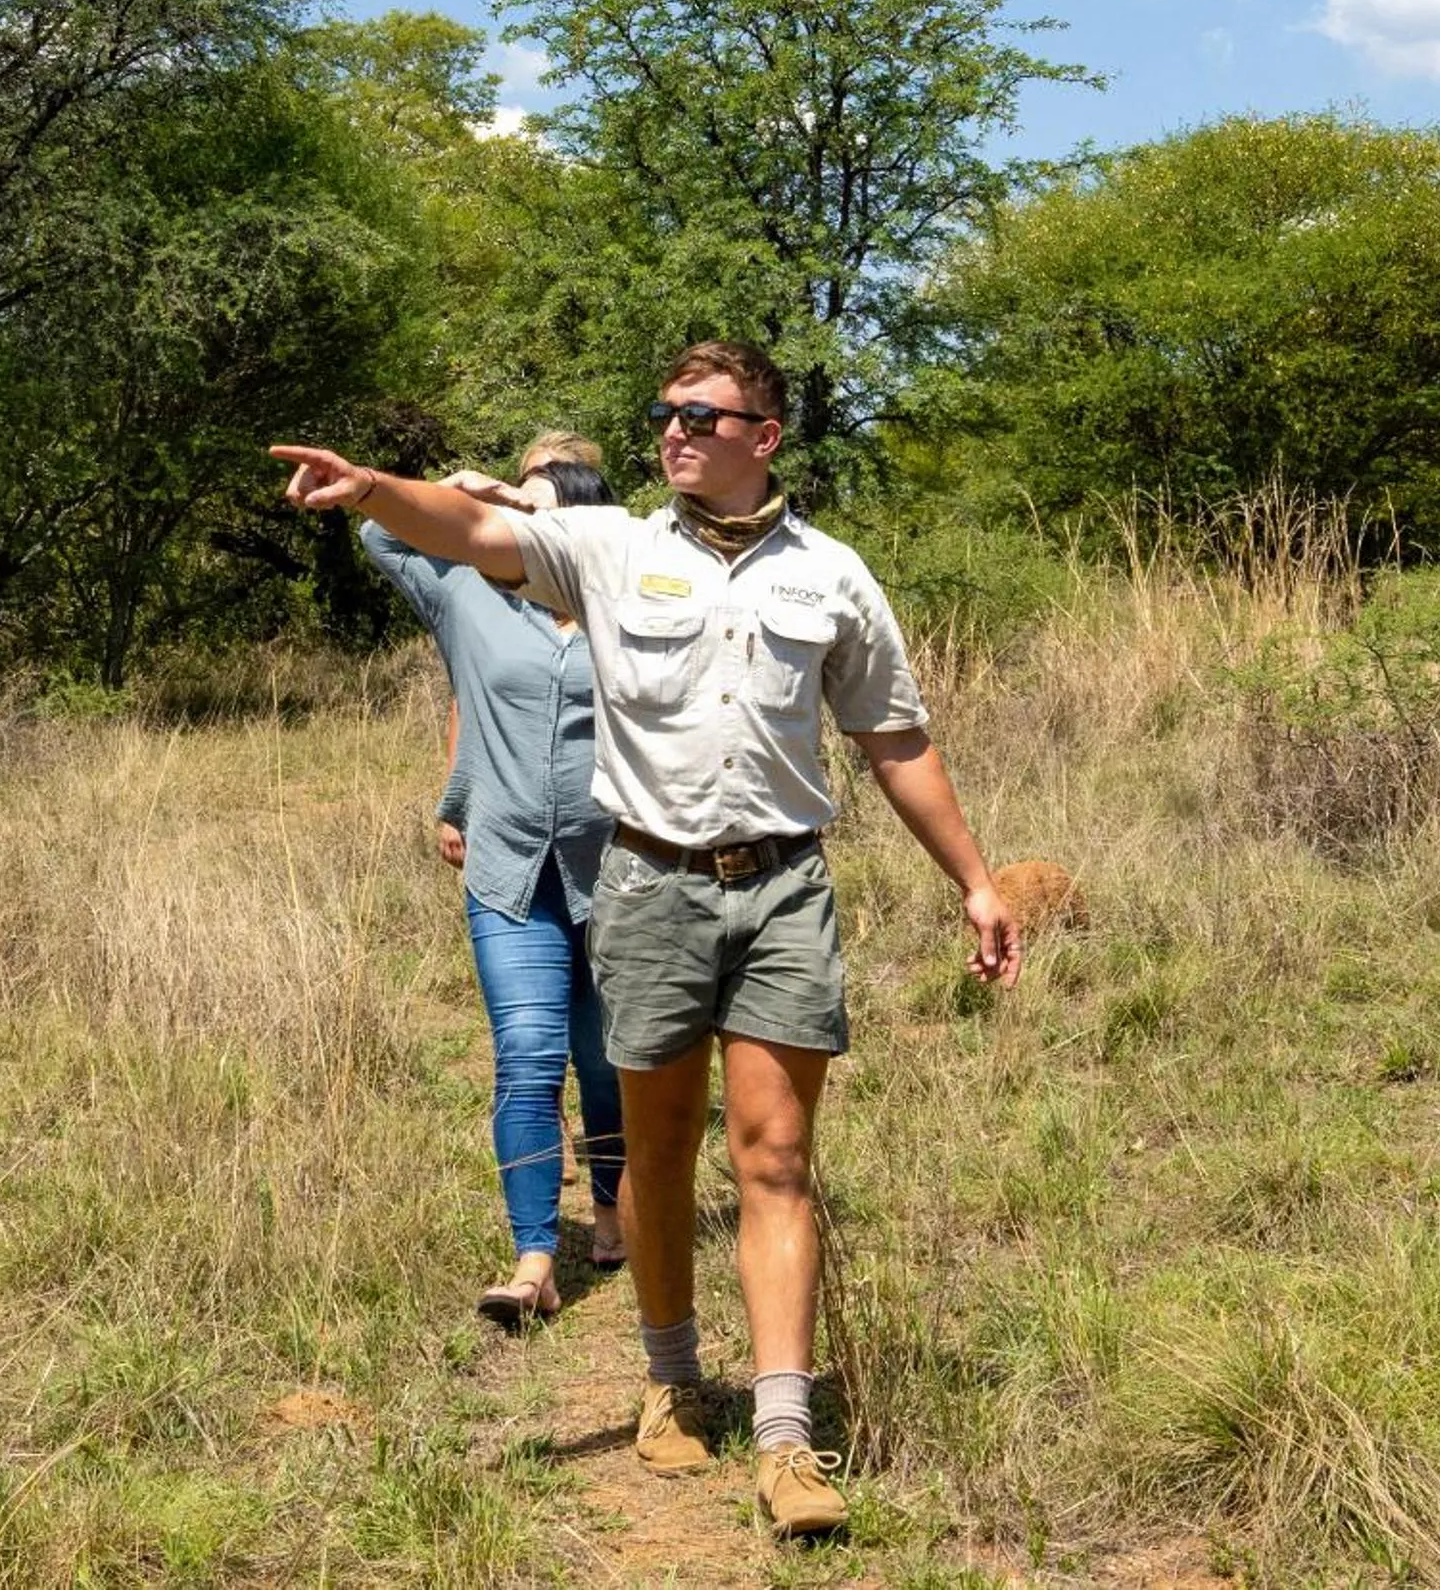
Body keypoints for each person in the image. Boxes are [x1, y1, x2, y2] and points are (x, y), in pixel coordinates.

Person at [273, 340, 1018, 1542]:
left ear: (762, 434)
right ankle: (670, 1377)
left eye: (700, 415)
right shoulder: (611, 545)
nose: (673, 430)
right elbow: (470, 535)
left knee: (773, 1159)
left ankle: (784, 1436)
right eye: (663, 411)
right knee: (661, 1147)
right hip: (649, 890)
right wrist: (369, 489)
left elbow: (892, 737)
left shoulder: (831, 575)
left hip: (781, 887)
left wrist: (975, 881)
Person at [363, 435, 626, 1330]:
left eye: (540, 509)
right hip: (510, 868)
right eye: (512, 509)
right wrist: (471, 494)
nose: (517, 522)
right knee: (526, 1055)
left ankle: (614, 1206)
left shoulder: (620, 600)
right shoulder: (465, 593)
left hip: (619, 871)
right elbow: (385, 538)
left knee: (606, 1056)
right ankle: (532, 1258)